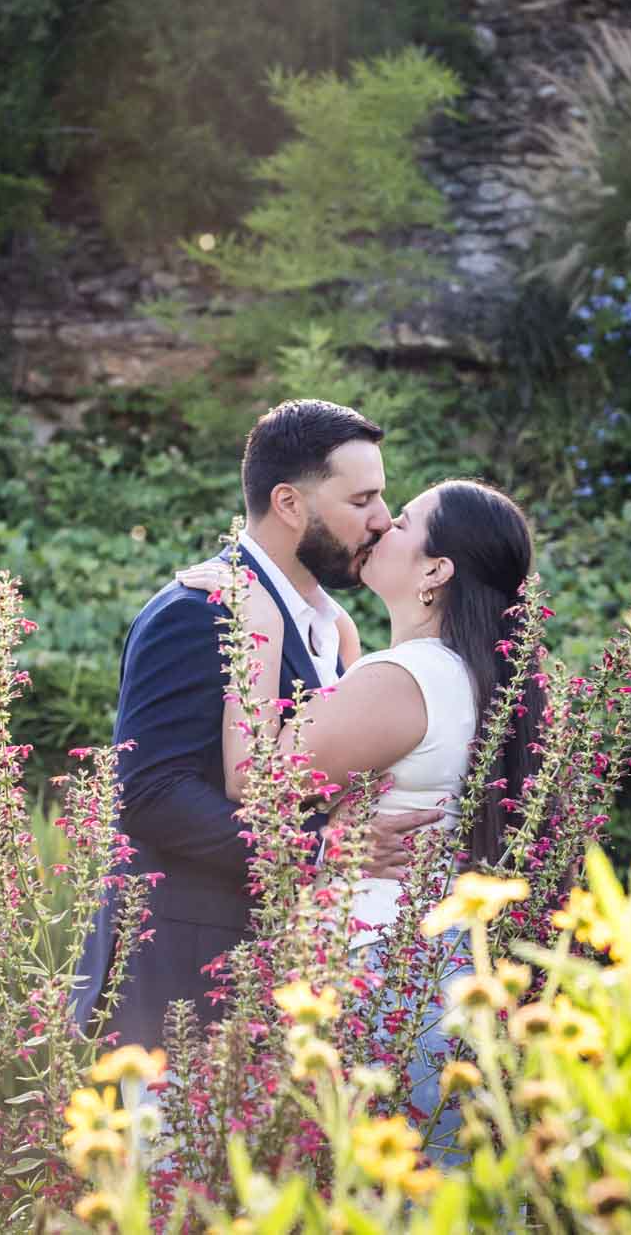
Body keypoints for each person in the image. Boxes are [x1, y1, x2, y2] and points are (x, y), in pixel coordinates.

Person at [70, 400, 446, 1052]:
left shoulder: (332, 627)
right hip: (179, 983)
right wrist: (322, 851)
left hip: (274, 982)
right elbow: (151, 795)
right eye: (362, 500)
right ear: (290, 504)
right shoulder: (199, 609)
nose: (382, 520)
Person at [178, 477, 542, 1137]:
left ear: (436, 568)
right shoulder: (460, 670)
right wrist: (342, 634)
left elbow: (257, 777)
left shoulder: (408, 677)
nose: (380, 525)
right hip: (440, 966)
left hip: (386, 977)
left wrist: (254, 627)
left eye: (402, 521)